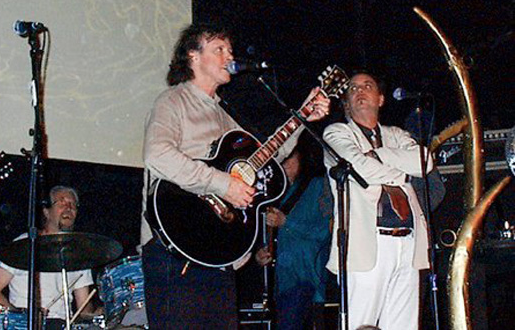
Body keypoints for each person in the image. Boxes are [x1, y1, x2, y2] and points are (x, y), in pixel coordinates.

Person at [140, 23, 330, 329]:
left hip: (219, 252)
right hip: (177, 249)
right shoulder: (172, 101)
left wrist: (302, 117)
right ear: (193, 57)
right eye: (219, 49)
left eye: (230, 49)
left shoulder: (226, 116)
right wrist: (224, 184)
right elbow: (157, 155)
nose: (230, 55)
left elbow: (268, 158)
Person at [322, 72, 432, 330]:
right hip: (368, 243)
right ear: (346, 103)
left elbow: (425, 162)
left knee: (404, 325)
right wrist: (403, 173)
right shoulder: (336, 133)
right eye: (353, 88)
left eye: (367, 86)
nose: (360, 91)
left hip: (408, 241)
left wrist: (377, 154)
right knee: (360, 323)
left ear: (381, 99)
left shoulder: (395, 134)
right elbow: (360, 169)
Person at [0, 185, 97, 330]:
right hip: (25, 324)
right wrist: (22, 318)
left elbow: (84, 307)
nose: (69, 207)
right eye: (62, 202)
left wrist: (98, 315)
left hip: (62, 325)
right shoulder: (25, 244)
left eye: (73, 204)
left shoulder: (78, 253)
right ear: (46, 212)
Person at [254, 145, 333, 330]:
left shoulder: (318, 185)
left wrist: (286, 222)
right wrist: (259, 253)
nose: (283, 166)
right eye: (279, 161)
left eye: (289, 159)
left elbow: (325, 232)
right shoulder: (272, 194)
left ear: (302, 159)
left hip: (306, 278)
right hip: (280, 283)